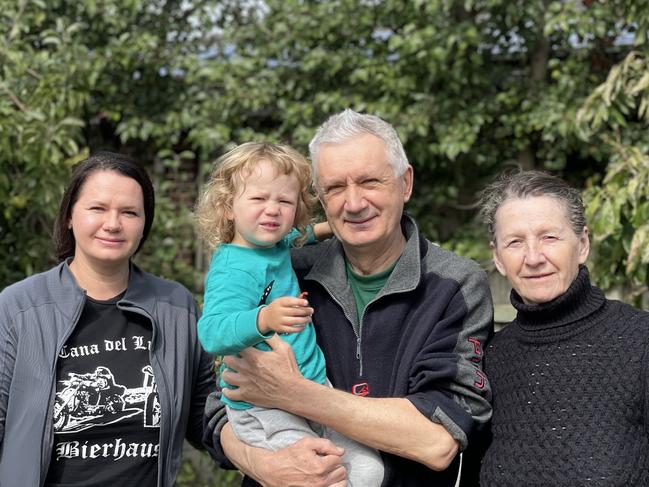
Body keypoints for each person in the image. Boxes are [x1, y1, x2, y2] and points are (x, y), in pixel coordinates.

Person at [203, 109, 494, 486]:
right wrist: (263, 466)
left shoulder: (453, 284)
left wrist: (295, 393)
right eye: (336, 188)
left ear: (405, 183)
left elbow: (438, 438)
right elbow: (220, 405)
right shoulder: (288, 269)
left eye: (370, 182)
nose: (353, 203)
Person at [0, 151, 215, 486]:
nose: (113, 224)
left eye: (129, 212)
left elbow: (207, 423)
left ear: (145, 223)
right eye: (97, 208)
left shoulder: (176, 307)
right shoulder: (18, 309)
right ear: (70, 216)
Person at [194, 141, 384, 486]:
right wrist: (263, 319)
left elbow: (302, 235)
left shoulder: (275, 244)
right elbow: (212, 332)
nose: (272, 210)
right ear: (227, 208)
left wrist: (335, 226)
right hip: (263, 407)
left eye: (284, 201)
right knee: (321, 479)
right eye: (258, 199)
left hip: (313, 392)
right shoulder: (232, 267)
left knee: (371, 470)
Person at [477, 170, 649, 486]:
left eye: (549, 237)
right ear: (498, 258)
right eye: (515, 242)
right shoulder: (490, 358)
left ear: (582, 244)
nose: (533, 257)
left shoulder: (640, 341)